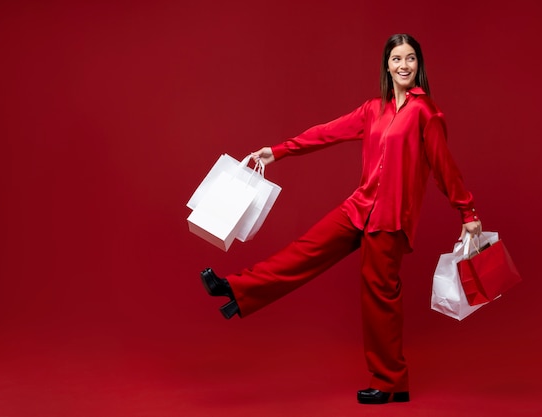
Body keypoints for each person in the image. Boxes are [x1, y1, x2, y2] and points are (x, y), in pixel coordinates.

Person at [200, 33, 482, 405]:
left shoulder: (426, 113)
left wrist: (468, 212)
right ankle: (237, 289)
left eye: (410, 59)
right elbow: (326, 133)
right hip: (360, 207)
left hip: (391, 218)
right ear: (387, 65)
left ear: (418, 66)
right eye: (397, 59)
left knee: (378, 297)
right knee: (305, 251)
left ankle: (391, 382)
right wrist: (278, 152)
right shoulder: (373, 109)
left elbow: (446, 170)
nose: (403, 65)